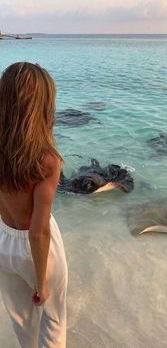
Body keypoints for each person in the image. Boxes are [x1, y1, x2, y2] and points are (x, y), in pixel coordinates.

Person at [0, 62, 68, 348]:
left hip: (3, 241)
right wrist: (41, 282)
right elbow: (38, 231)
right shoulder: (46, 160)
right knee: (53, 320)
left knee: (21, 319)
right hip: (35, 249)